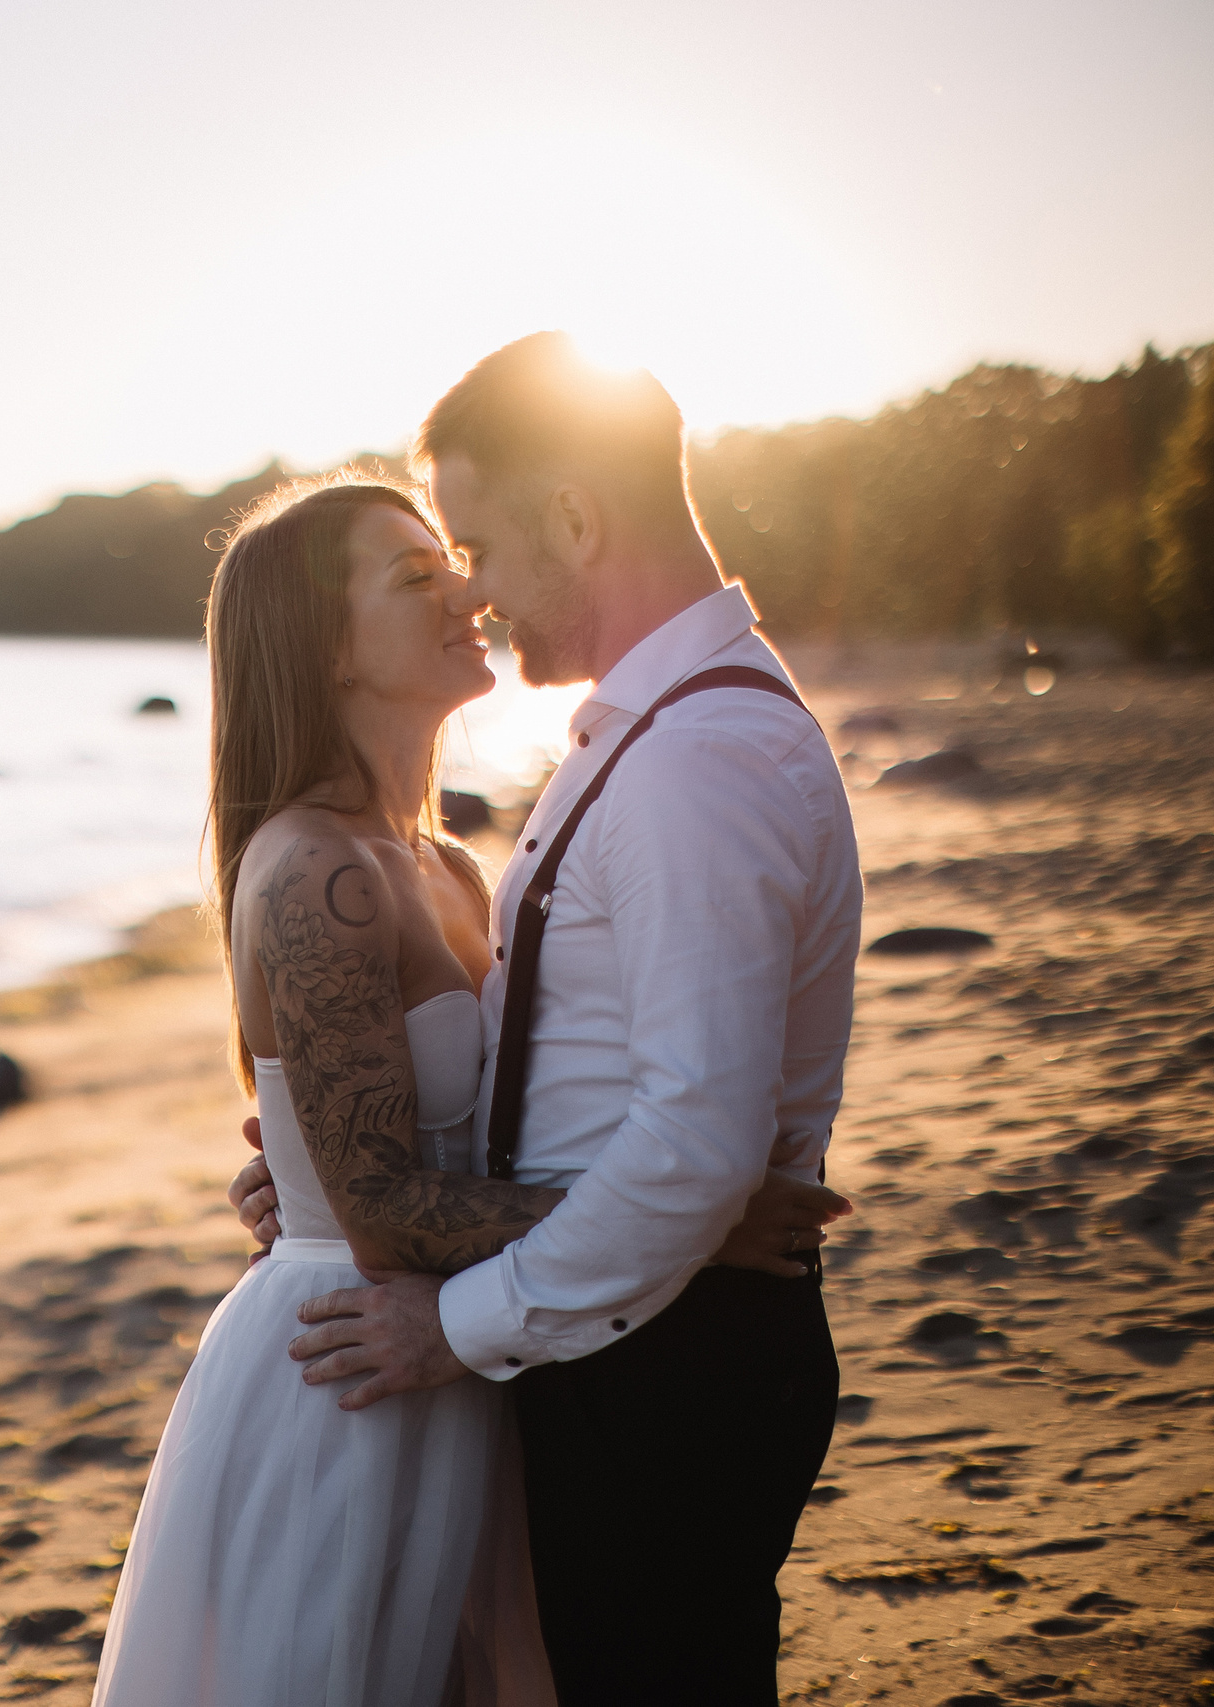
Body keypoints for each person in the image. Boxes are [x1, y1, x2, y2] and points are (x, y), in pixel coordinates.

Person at [93, 455, 846, 1705]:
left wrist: (304, 1161)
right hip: (349, 1373)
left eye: (457, 561)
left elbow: (461, 1125)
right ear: (325, 647)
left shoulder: (441, 863)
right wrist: (705, 1222)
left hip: (461, 1353)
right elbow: (383, 1212)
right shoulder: (314, 874)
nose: (466, 595)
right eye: (415, 575)